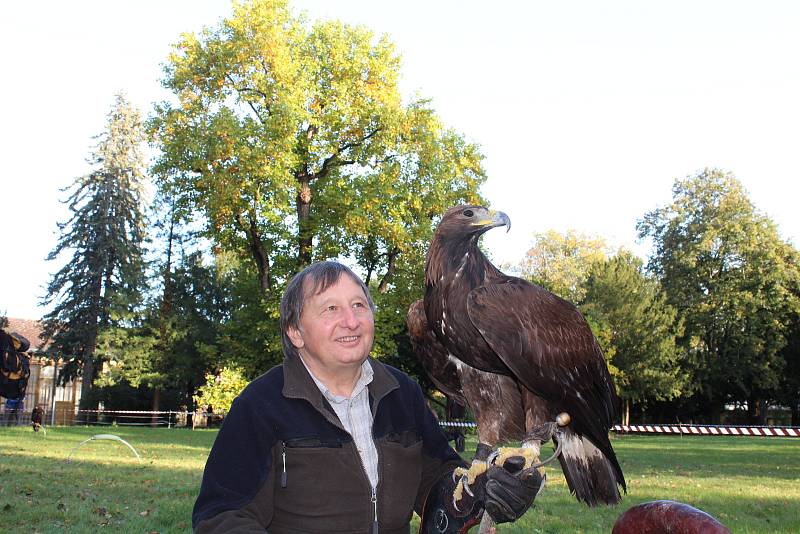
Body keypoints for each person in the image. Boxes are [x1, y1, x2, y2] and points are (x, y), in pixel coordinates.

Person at [192, 261, 542, 533]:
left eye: (359, 305)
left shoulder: (401, 392)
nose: (351, 320)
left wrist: (481, 492)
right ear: (296, 332)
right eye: (330, 309)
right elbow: (220, 516)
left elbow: (437, 478)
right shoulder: (261, 405)